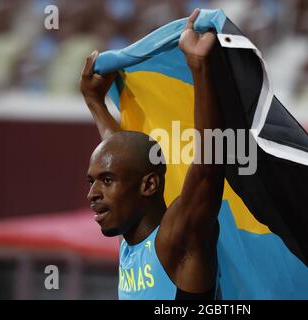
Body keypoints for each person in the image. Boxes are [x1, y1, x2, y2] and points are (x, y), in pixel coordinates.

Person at [79, 9, 225, 299]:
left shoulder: (177, 239)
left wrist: (200, 67)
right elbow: (120, 152)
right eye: (91, 181)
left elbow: (209, 166)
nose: (92, 194)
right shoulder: (131, 238)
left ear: (148, 185)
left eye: (105, 181)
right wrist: (95, 102)